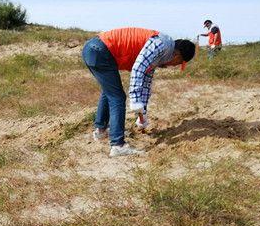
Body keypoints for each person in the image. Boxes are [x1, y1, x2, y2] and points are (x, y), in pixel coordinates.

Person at [81, 28, 196, 157]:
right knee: (118, 97)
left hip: (94, 49)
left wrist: (143, 115)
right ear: (177, 56)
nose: (173, 66)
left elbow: (145, 85)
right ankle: (118, 146)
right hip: (100, 50)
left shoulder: (159, 55)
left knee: (110, 91)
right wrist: (135, 102)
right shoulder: (161, 44)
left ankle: (101, 130)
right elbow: (138, 68)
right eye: (178, 63)